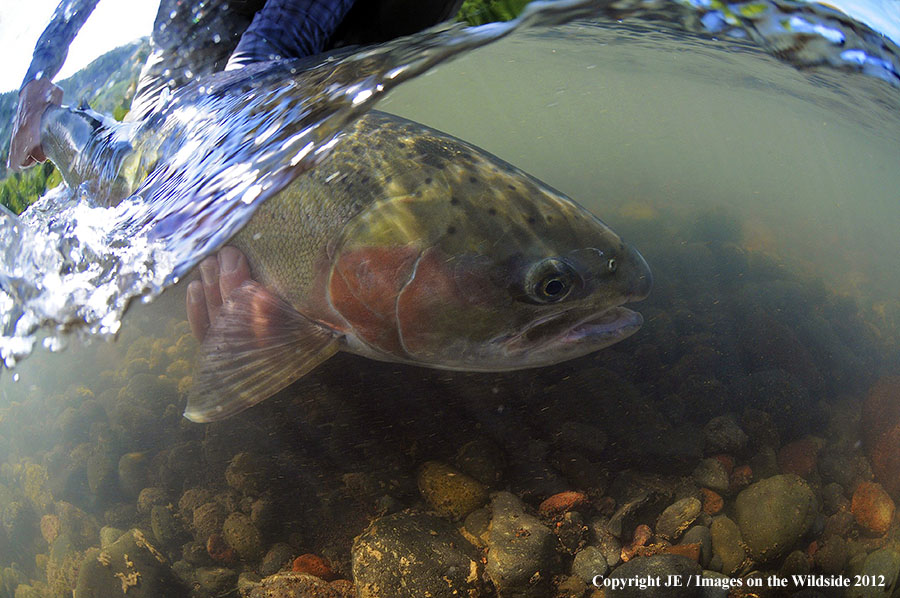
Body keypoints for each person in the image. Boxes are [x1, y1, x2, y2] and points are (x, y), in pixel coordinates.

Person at [10, 0, 464, 340]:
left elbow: (278, 39)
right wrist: (37, 78)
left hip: (372, 18)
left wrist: (251, 93)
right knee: (135, 188)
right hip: (196, 22)